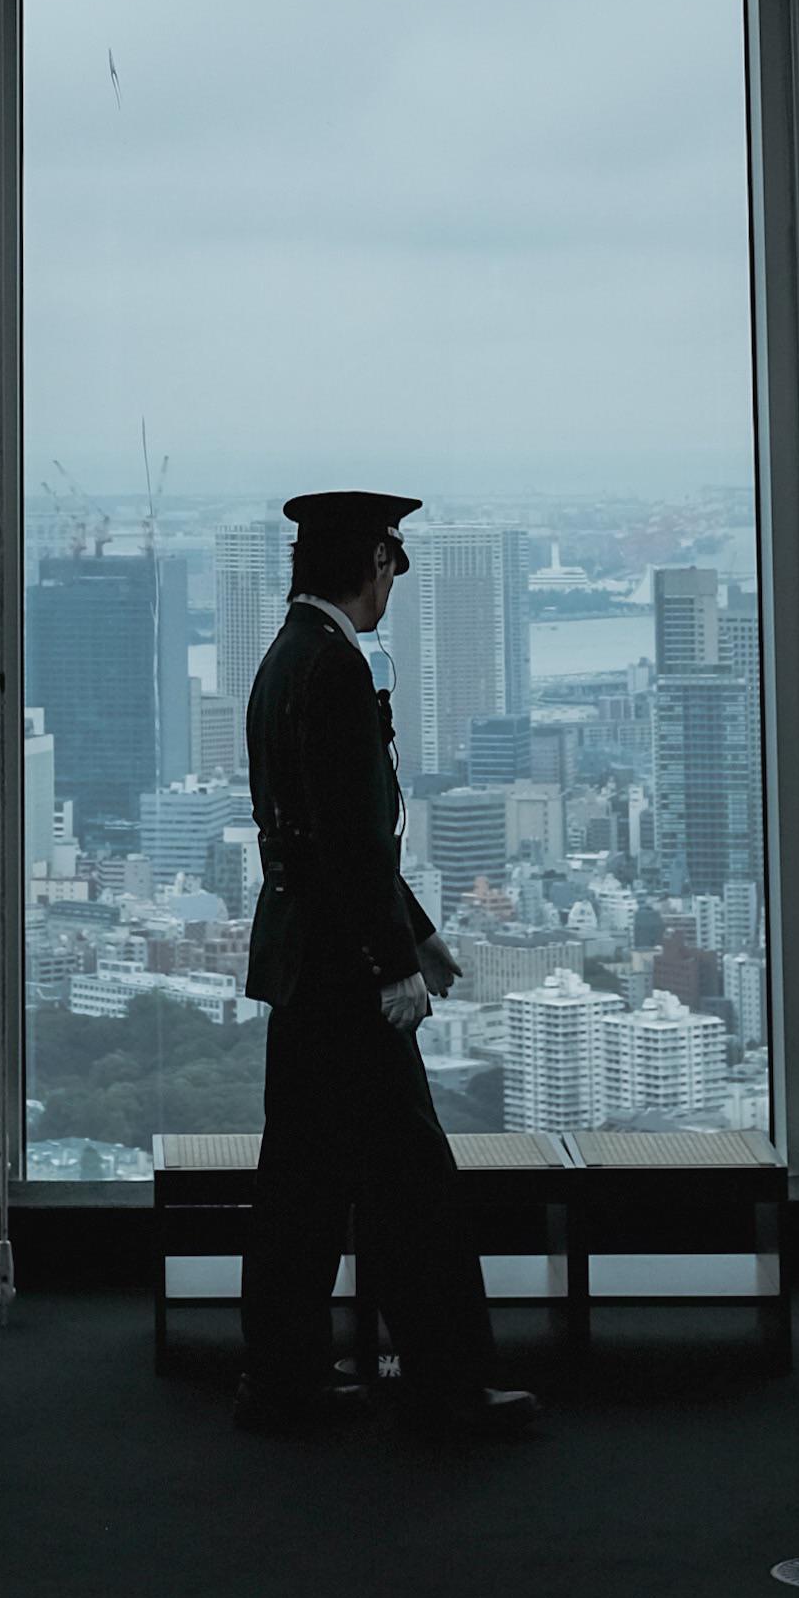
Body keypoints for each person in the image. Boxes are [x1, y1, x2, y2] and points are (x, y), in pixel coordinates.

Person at [234, 487, 542, 1443]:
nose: (393, 584)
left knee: (302, 1180)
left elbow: (323, 838)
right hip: (342, 969)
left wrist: (416, 932)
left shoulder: (282, 660)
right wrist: (391, 961)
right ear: (373, 564)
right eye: (392, 564)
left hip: (299, 957)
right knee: (412, 1180)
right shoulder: (332, 667)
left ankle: (282, 1377)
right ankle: (448, 1386)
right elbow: (353, 840)